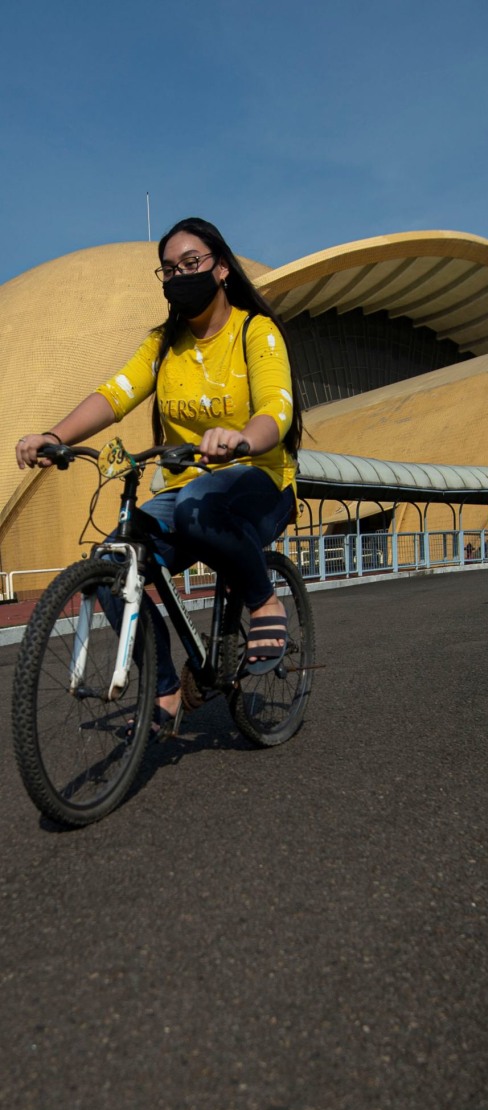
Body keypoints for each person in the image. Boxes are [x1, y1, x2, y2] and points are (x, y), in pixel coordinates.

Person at [15, 216, 303, 734]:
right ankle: (166, 688)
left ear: (220, 269)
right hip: (187, 488)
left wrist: (241, 438)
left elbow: (275, 411)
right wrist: (56, 437)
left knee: (200, 507)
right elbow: (115, 394)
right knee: (113, 565)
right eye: (169, 270)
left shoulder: (253, 331)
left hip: (258, 480)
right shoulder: (164, 345)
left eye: (191, 264)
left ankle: (262, 599)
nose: (179, 276)